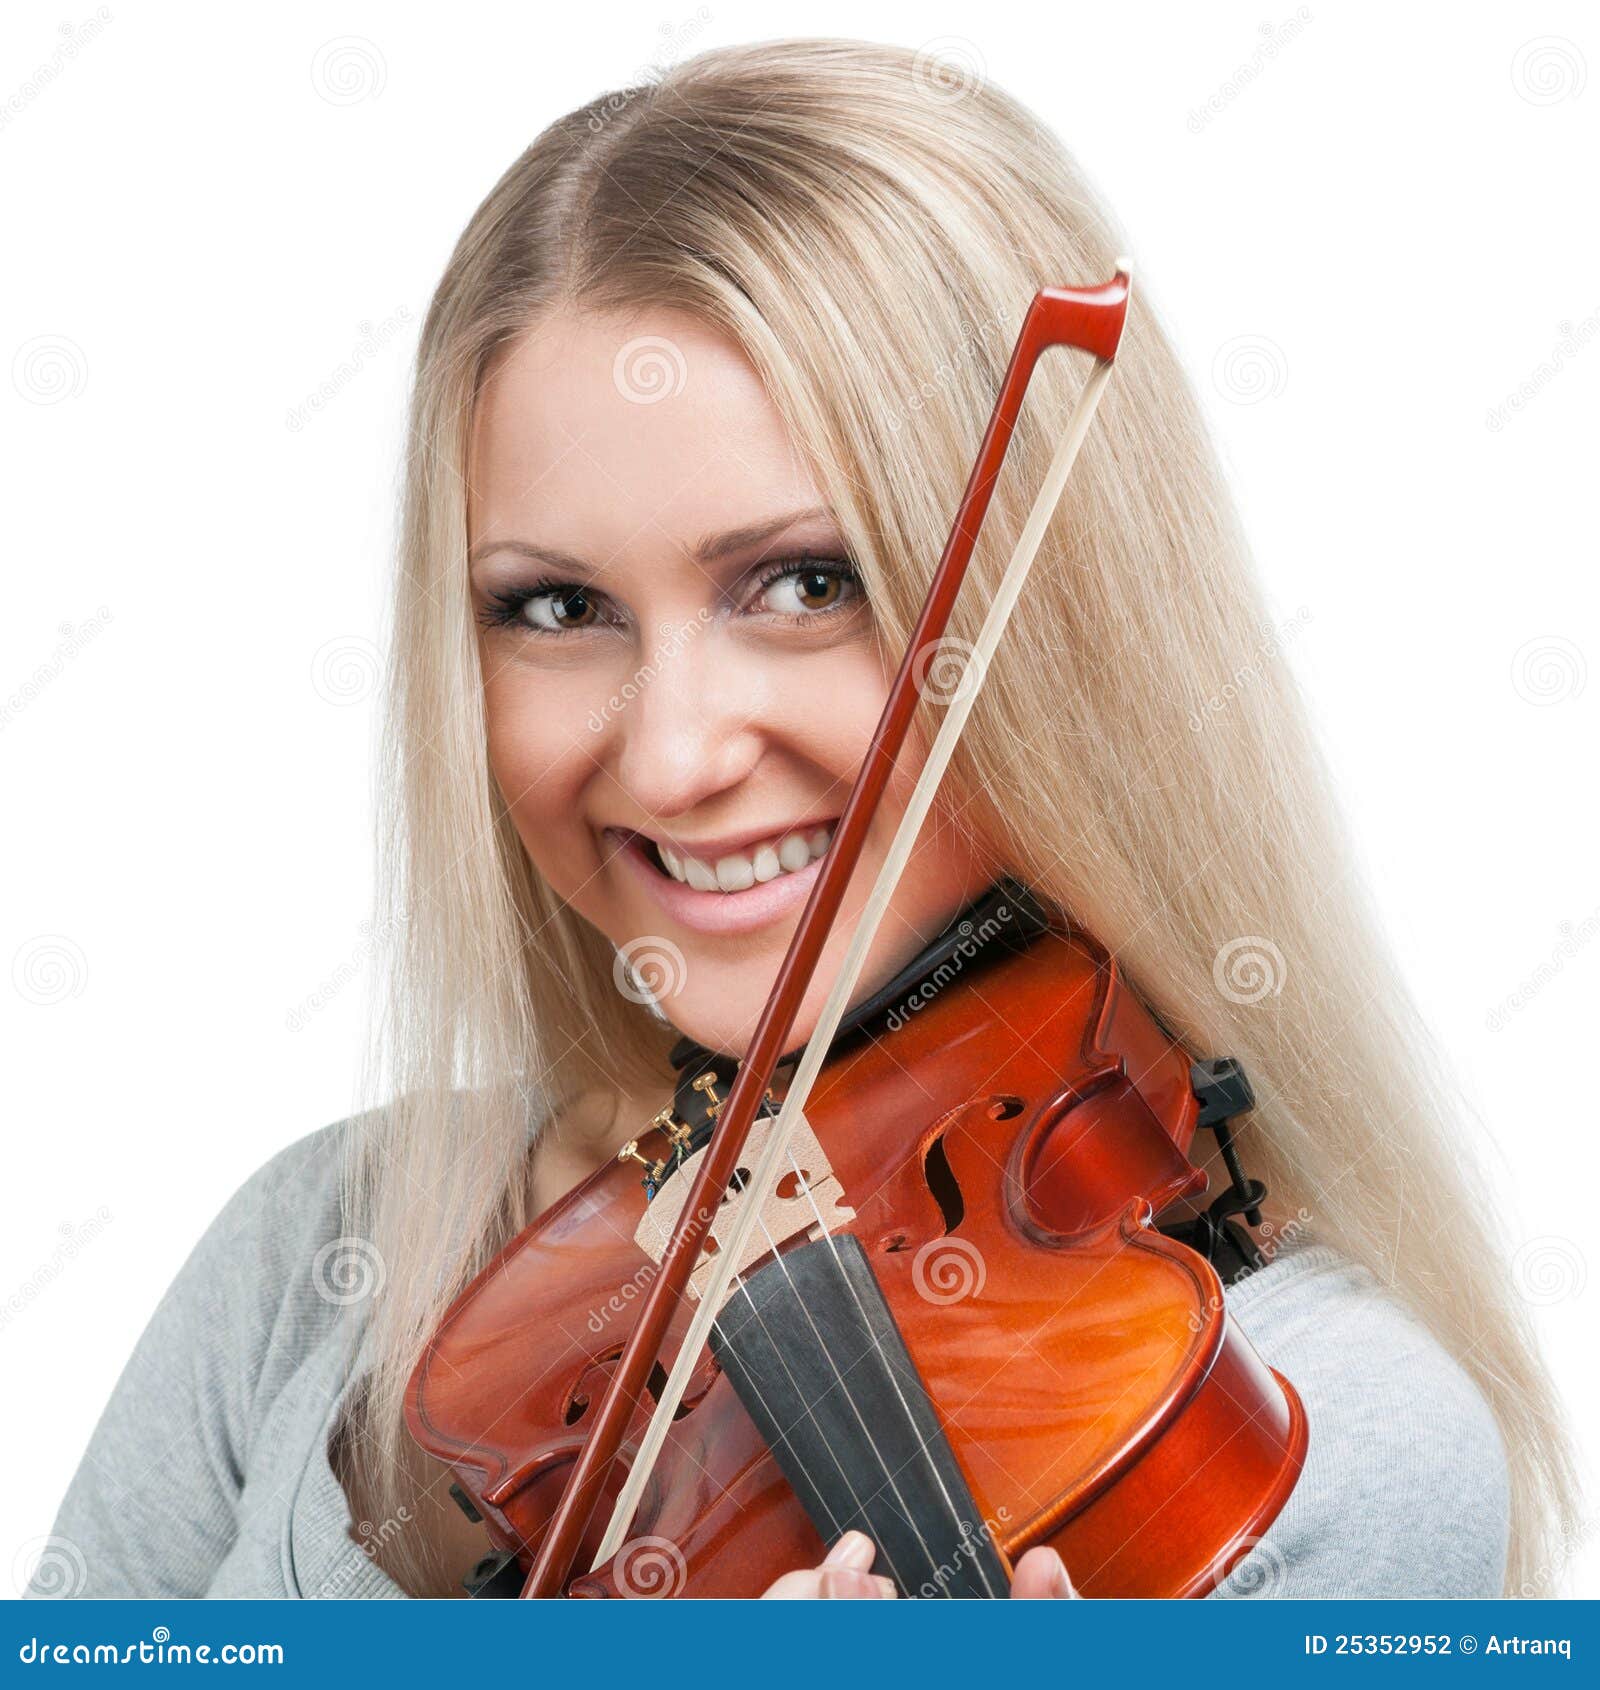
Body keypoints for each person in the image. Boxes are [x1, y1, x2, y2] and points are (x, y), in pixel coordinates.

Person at [28, 37, 1578, 1602]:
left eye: (806, 583)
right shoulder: (316, 1256)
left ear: (1060, 624)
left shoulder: (1328, 1437)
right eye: (556, 604)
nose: (678, 754)